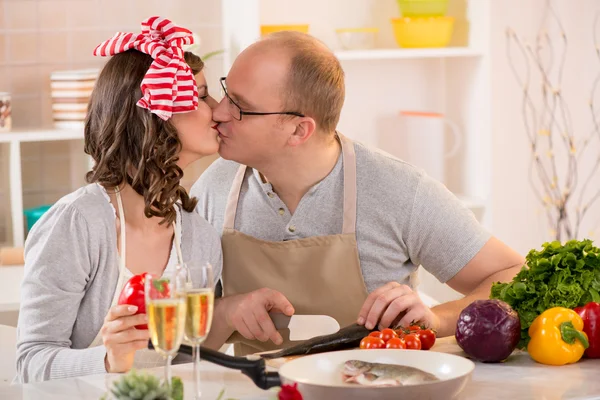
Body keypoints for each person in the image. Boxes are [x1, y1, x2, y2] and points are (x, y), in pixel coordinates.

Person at [192, 31, 525, 356]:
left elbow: (512, 275)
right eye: (226, 93)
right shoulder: (214, 187)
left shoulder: (398, 190)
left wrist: (439, 318)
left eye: (240, 106)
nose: (218, 113)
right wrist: (223, 311)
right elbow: (179, 335)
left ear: (298, 130)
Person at [15, 17, 223, 383]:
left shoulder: (199, 237)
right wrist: (109, 360)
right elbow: (30, 363)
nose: (219, 109)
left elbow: (186, 364)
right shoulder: (78, 223)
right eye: (203, 95)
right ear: (156, 116)